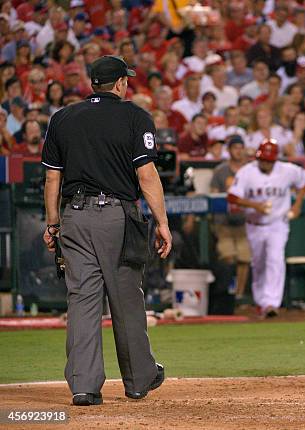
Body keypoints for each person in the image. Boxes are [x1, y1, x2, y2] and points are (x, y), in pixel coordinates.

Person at [41, 55, 171, 406]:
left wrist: (53, 223)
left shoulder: (63, 118)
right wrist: (162, 222)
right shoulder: (135, 116)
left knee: (82, 300)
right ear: (119, 84)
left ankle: (83, 386)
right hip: (117, 216)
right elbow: (146, 175)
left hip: (74, 217)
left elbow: (53, 177)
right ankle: (138, 380)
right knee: (126, 298)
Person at [227, 139, 305, 318]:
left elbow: (304, 181)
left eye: (268, 160)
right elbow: (232, 197)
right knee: (258, 263)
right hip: (254, 224)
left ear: (274, 159)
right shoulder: (247, 172)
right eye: (262, 159)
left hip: (278, 223)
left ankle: (271, 303)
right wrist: (255, 205)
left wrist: (297, 205)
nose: (264, 162)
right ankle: (261, 302)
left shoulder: (287, 170)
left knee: (275, 259)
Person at [209, 135, 251, 299]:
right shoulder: (221, 171)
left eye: (241, 148)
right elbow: (213, 195)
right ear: (230, 150)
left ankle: (239, 295)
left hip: (243, 223)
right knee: (228, 258)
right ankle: (226, 296)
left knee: (244, 259)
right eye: (235, 148)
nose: (238, 151)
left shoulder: (250, 170)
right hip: (224, 224)